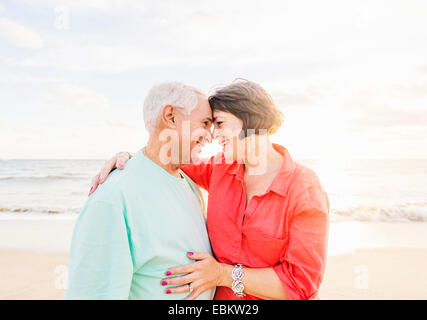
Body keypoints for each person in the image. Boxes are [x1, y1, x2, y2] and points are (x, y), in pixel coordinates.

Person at [90, 79, 329, 300]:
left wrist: (222, 275)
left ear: (250, 119)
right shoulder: (219, 168)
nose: (212, 135)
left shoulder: (304, 188)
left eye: (220, 123)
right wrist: (128, 158)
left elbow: (301, 282)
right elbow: (167, 155)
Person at [65, 82, 215, 299]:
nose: (210, 136)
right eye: (205, 123)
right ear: (171, 116)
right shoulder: (113, 196)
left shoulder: (190, 186)